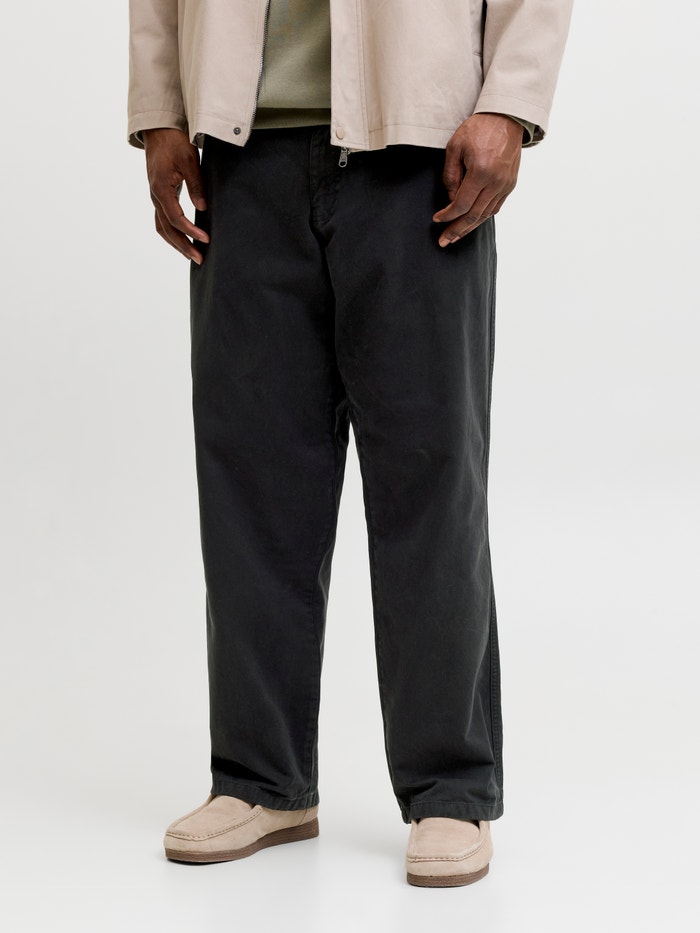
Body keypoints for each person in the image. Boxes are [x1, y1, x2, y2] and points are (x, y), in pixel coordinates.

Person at [127, 0, 572, 887]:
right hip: (241, 147)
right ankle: (260, 779)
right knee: (251, 480)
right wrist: (160, 108)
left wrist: (511, 100)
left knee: (429, 477)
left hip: (420, 147)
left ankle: (451, 786)